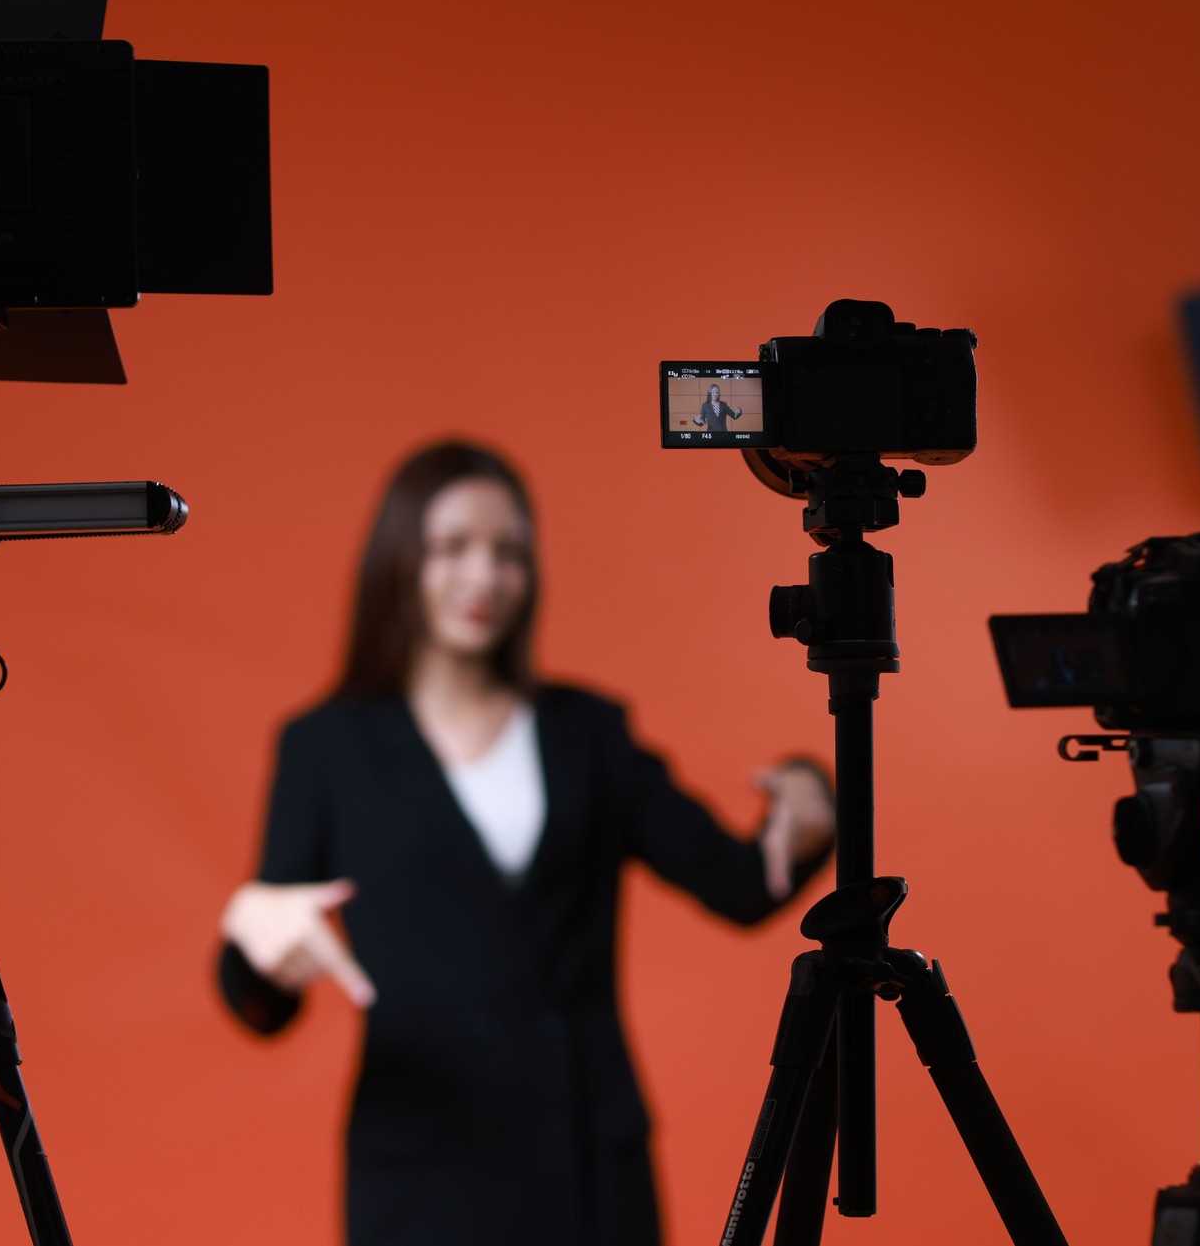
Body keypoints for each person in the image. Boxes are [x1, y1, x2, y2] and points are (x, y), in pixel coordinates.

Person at [217, 440, 835, 1246]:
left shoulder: (590, 732)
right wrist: (261, 950)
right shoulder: (325, 747)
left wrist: (812, 791)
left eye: (508, 551)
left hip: (585, 1156)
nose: (484, 576)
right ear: (400, 561)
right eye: (452, 547)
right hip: (420, 1168)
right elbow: (260, 969)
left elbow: (743, 884)